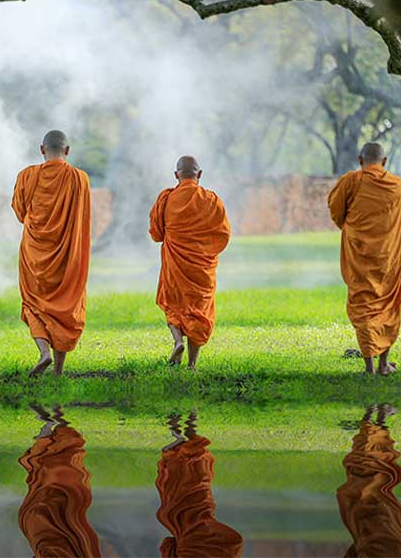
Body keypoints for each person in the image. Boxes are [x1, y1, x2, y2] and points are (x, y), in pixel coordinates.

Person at [12, 130, 91, 377]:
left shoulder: (27, 176)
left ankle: (43, 352)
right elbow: (82, 216)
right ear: (67, 151)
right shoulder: (79, 178)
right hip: (67, 255)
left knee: (35, 304)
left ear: (42, 149)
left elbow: (19, 212)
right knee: (65, 306)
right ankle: (58, 369)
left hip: (34, 254)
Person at [328, 143, 401, 375]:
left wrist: (353, 228)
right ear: (384, 161)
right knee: (386, 305)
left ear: (360, 159)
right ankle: (383, 364)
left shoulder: (351, 181)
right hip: (388, 257)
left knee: (363, 304)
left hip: (360, 255)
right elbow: (399, 224)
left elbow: (335, 210)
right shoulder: (399, 186)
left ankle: (370, 367)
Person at [149, 156, 230, 369]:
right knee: (199, 312)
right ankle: (192, 364)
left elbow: (156, 234)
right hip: (201, 267)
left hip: (175, 265)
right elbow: (223, 235)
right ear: (199, 174)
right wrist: (205, 251)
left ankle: (177, 341)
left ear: (176, 175)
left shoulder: (166, 199)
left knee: (173, 304)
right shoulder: (212, 200)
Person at [156, 412, 243, 557]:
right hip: (184, 524)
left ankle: (191, 434)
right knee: (176, 479)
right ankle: (178, 436)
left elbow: (233, 545)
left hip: (204, 520)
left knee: (199, 486)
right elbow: (168, 545)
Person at [18, 405, 102, 558]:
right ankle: (55, 423)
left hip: (50, 527)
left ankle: (51, 426)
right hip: (62, 520)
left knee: (46, 485)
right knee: (55, 480)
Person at [337, 404, 401, 557]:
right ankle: (377, 420)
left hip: (370, 521)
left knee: (370, 478)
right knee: (374, 478)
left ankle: (375, 420)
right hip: (376, 526)